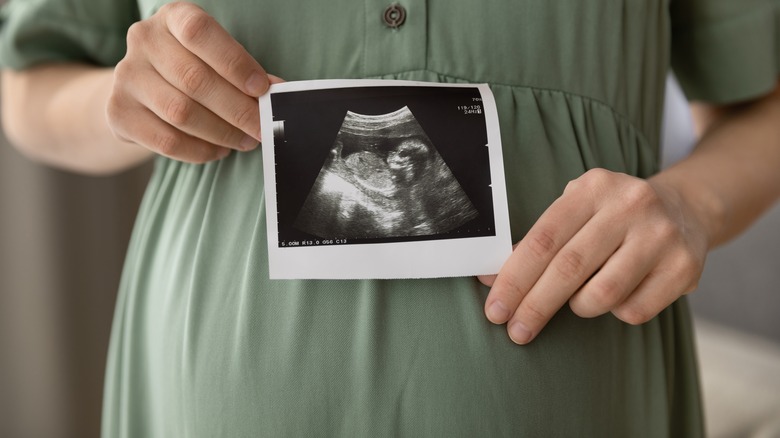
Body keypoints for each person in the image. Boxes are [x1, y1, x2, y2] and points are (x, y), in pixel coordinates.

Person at [2, 0, 779, 436]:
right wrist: (122, 101)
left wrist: (693, 203)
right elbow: (28, 84)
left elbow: (762, 98)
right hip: (214, 390)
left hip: (577, 395)